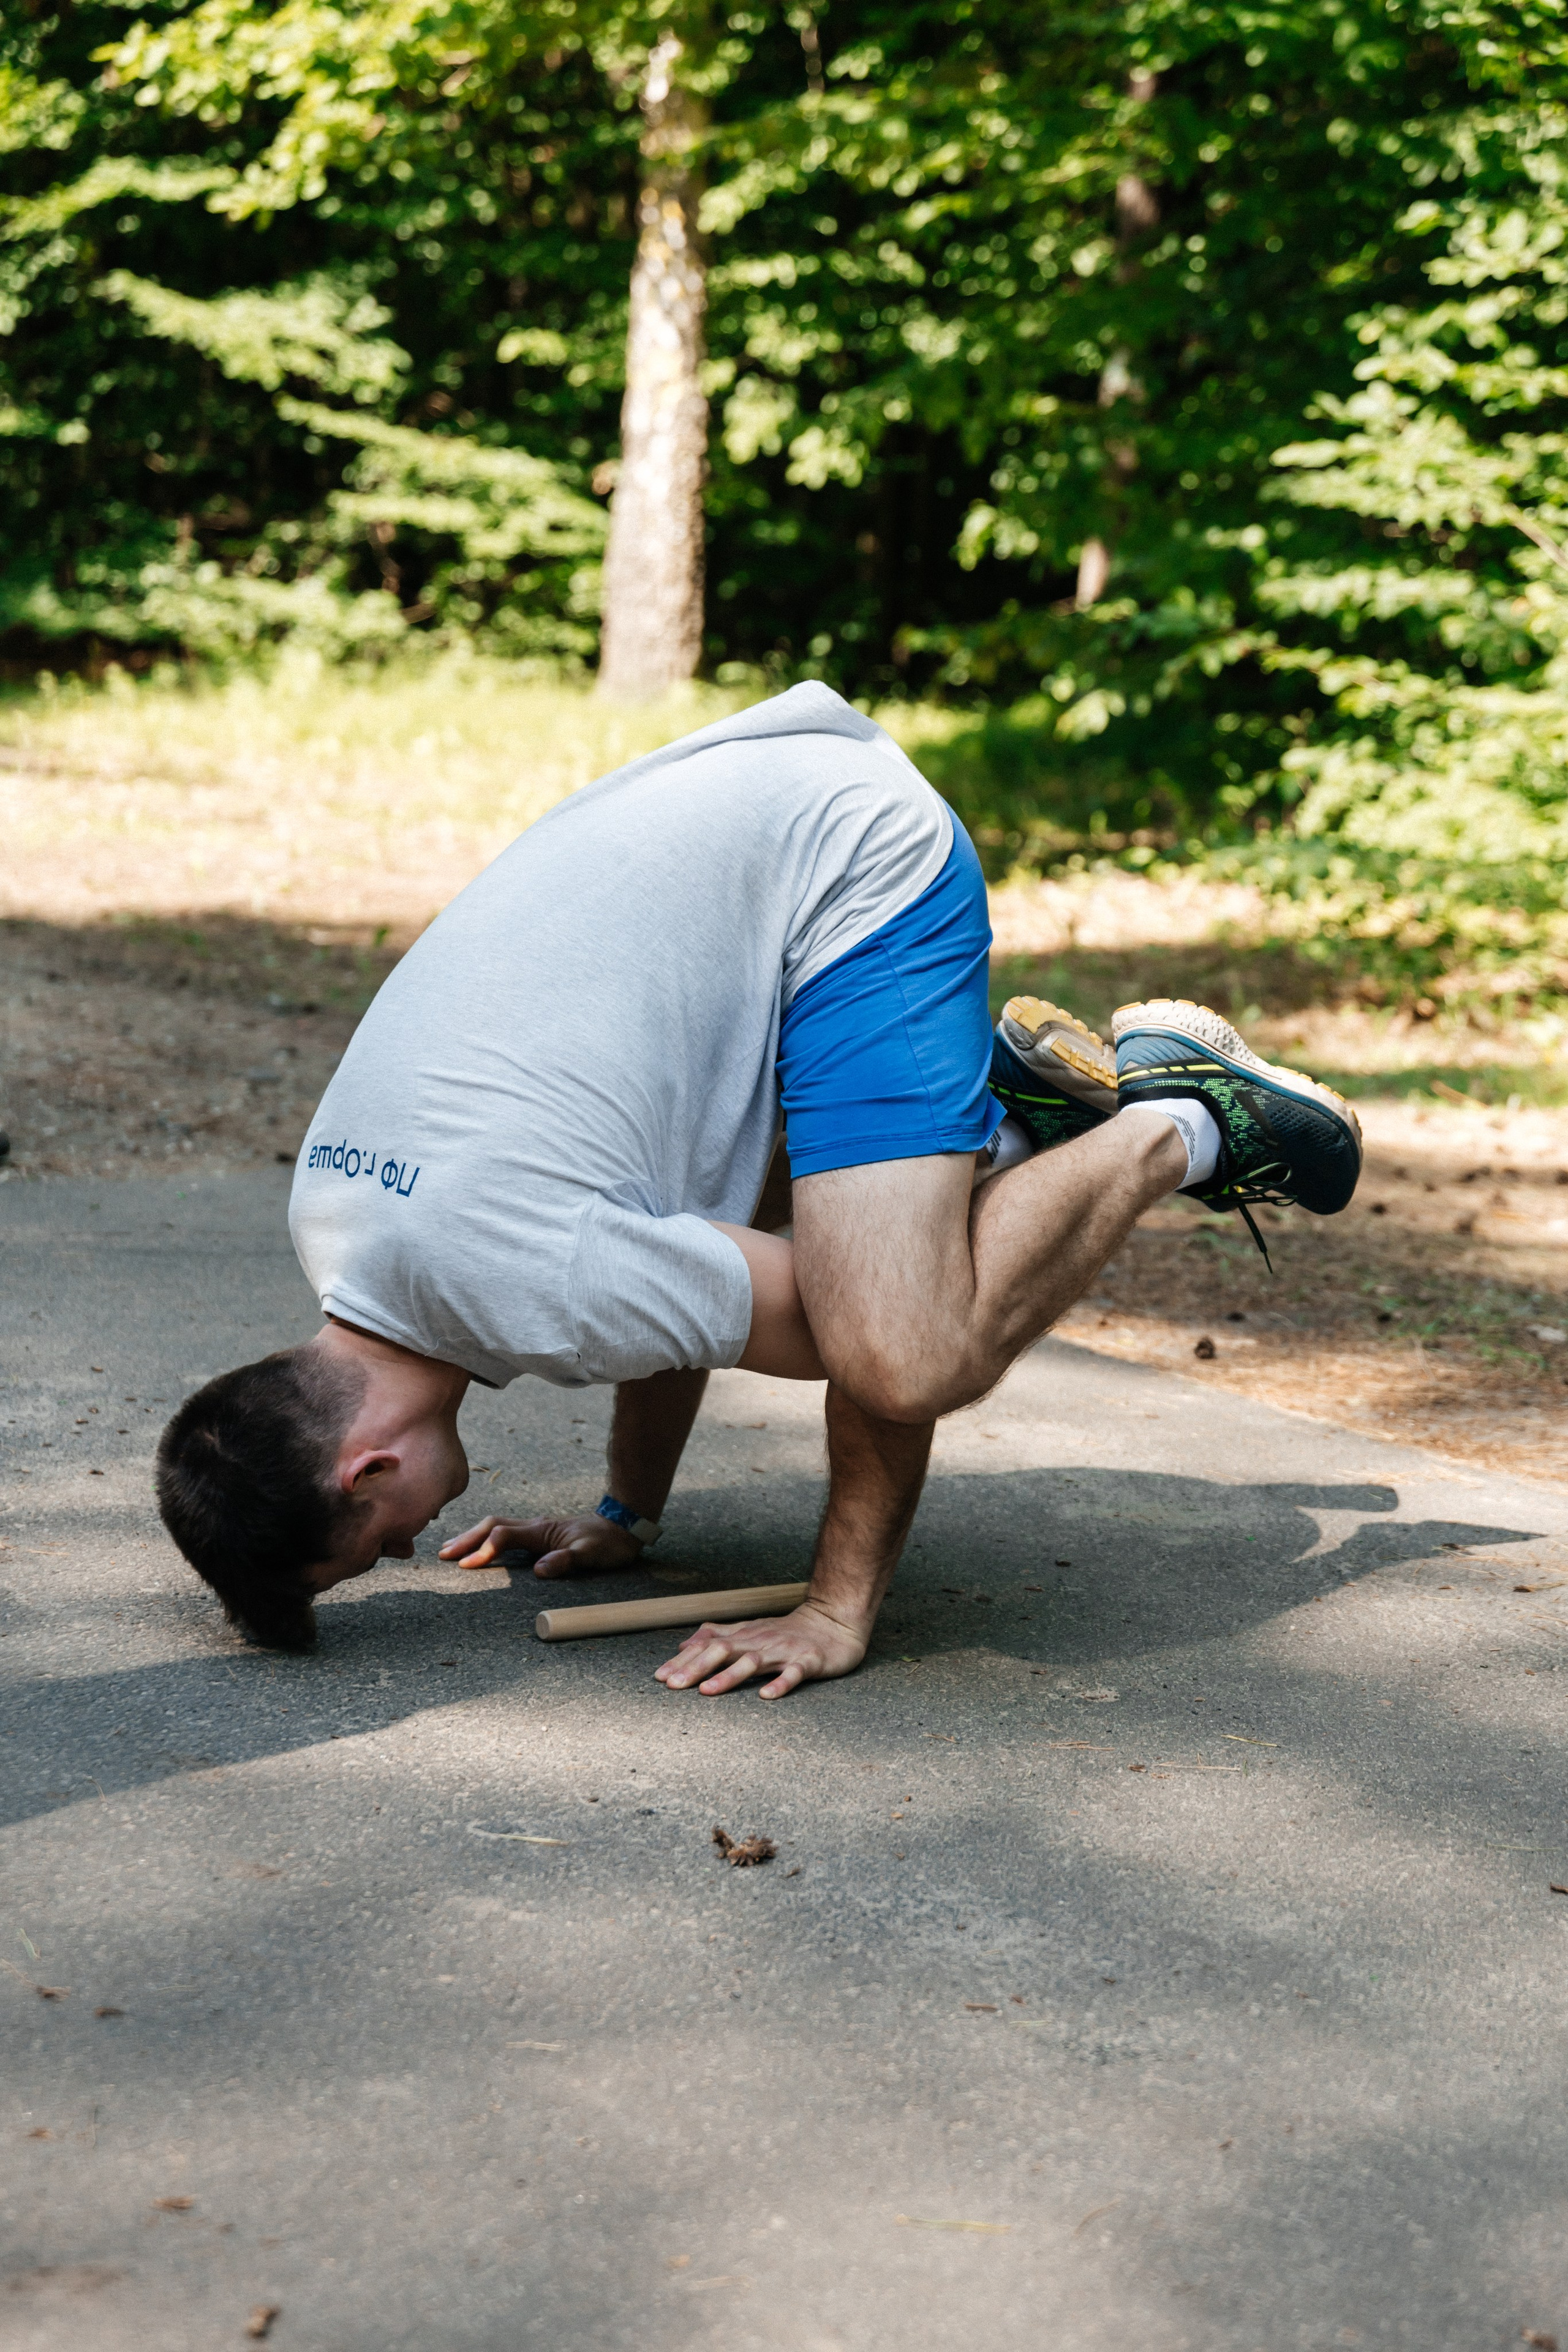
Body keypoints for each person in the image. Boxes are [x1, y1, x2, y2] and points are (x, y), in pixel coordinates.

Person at [156, 683, 1362, 1697]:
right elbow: (665, 1262)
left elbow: (854, 1342)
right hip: (733, 822)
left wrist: (835, 1608)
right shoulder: (338, 1221)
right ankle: (979, 1120)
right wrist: (625, 1517)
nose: (407, 1546)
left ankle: (1177, 1117)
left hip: (845, 861)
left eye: (371, 1551)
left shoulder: (515, 1284)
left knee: (901, 1337)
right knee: (838, 1261)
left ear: (363, 1470)